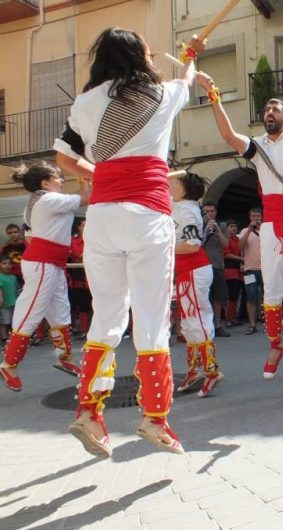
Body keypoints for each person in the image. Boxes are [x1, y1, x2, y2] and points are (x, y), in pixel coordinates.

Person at [54, 28, 205, 456]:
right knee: (152, 317)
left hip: (101, 216)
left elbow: (63, 158)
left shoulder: (84, 102)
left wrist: (100, 174)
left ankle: (89, 411)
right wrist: (191, 53)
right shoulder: (163, 93)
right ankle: (155, 418)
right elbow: (190, 77)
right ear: (140, 55)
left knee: (106, 315)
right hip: (148, 214)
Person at [196, 72, 283, 382]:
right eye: (266, 109)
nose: (269, 112)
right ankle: (275, 346)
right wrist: (213, 95)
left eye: (275, 109)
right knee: (271, 286)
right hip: (271, 222)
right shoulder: (256, 146)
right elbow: (230, 137)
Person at [0, 163, 90, 391]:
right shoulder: (49, 200)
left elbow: (31, 237)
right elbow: (88, 198)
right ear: (45, 183)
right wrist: (85, 174)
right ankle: (8, 364)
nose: (61, 181)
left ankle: (64, 357)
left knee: (59, 309)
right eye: (58, 178)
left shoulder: (37, 203)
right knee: (31, 311)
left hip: (50, 263)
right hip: (43, 264)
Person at [171, 172, 223, 398]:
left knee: (198, 320)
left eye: (174, 181)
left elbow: (192, 244)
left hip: (194, 268)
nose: (169, 184)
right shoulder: (179, 207)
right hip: (186, 270)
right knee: (189, 323)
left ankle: (212, 371)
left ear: (185, 188)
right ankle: (195, 369)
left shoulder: (188, 210)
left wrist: (162, 248)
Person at [202, 202, 230, 337]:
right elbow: (197, 244)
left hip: (217, 265)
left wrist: (217, 230)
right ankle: (205, 326)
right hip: (202, 265)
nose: (209, 214)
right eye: (206, 211)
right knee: (203, 297)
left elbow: (226, 244)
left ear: (216, 212)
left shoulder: (223, 226)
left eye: (211, 211)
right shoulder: (198, 224)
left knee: (218, 297)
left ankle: (218, 326)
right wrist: (206, 231)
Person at [239, 207, 263, 335]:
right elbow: (240, 246)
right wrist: (249, 230)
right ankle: (252, 324)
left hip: (266, 269)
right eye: (253, 216)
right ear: (250, 218)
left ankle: (270, 322)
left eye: (258, 216)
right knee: (251, 297)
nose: (256, 219)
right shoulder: (244, 231)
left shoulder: (266, 230)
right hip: (250, 270)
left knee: (269, 297)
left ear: (261, 217)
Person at [68, 218, 92, 340]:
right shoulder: (74, 240)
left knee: (91, 304)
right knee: (77, 304)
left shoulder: (95, 240)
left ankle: (89, 330)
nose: (85, 226)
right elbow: (77, 255)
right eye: (83, 225)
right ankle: (80, 330)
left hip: (93, 274)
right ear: (78, 227)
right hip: (77, 275)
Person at [0, 255, 18, 343]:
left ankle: (11, 336)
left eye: (9, 263)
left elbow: (16, 289)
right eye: (4, 263)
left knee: (13, 320)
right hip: (4, 303)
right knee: (4, 320)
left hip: (14, 302)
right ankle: (4, 337)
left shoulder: (13, 277)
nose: (7, 265)